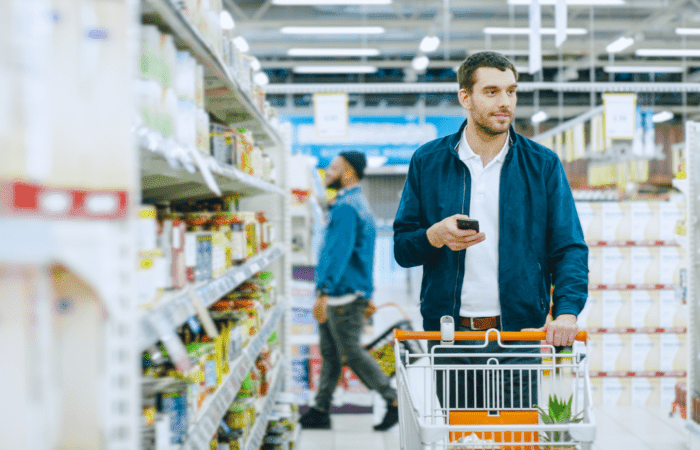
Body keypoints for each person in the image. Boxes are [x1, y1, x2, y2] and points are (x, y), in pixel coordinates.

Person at [393, 51, 588, 410]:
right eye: (492, 92)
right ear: (465, 97)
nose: (505, 103)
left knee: (515, 440)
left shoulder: (542, 165)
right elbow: (403, 249)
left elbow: (569, 247)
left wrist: (567, 312)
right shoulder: (428, 161)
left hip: (520, 336)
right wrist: (434, 236)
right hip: (450, 336)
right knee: (466, 440)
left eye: (511, 91)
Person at [299, 151, 399, 431]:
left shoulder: (345, 207)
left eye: (332, 168)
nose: (327, 173)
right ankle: (320, 408)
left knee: (351, 352)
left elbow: (338, 252)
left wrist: (323, 291)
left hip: (341, 295)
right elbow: (360, 254)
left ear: (349, 173)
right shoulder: (355, 203)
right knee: (331, 354)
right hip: (350, 291)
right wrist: (367, 292)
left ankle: (392, 400)